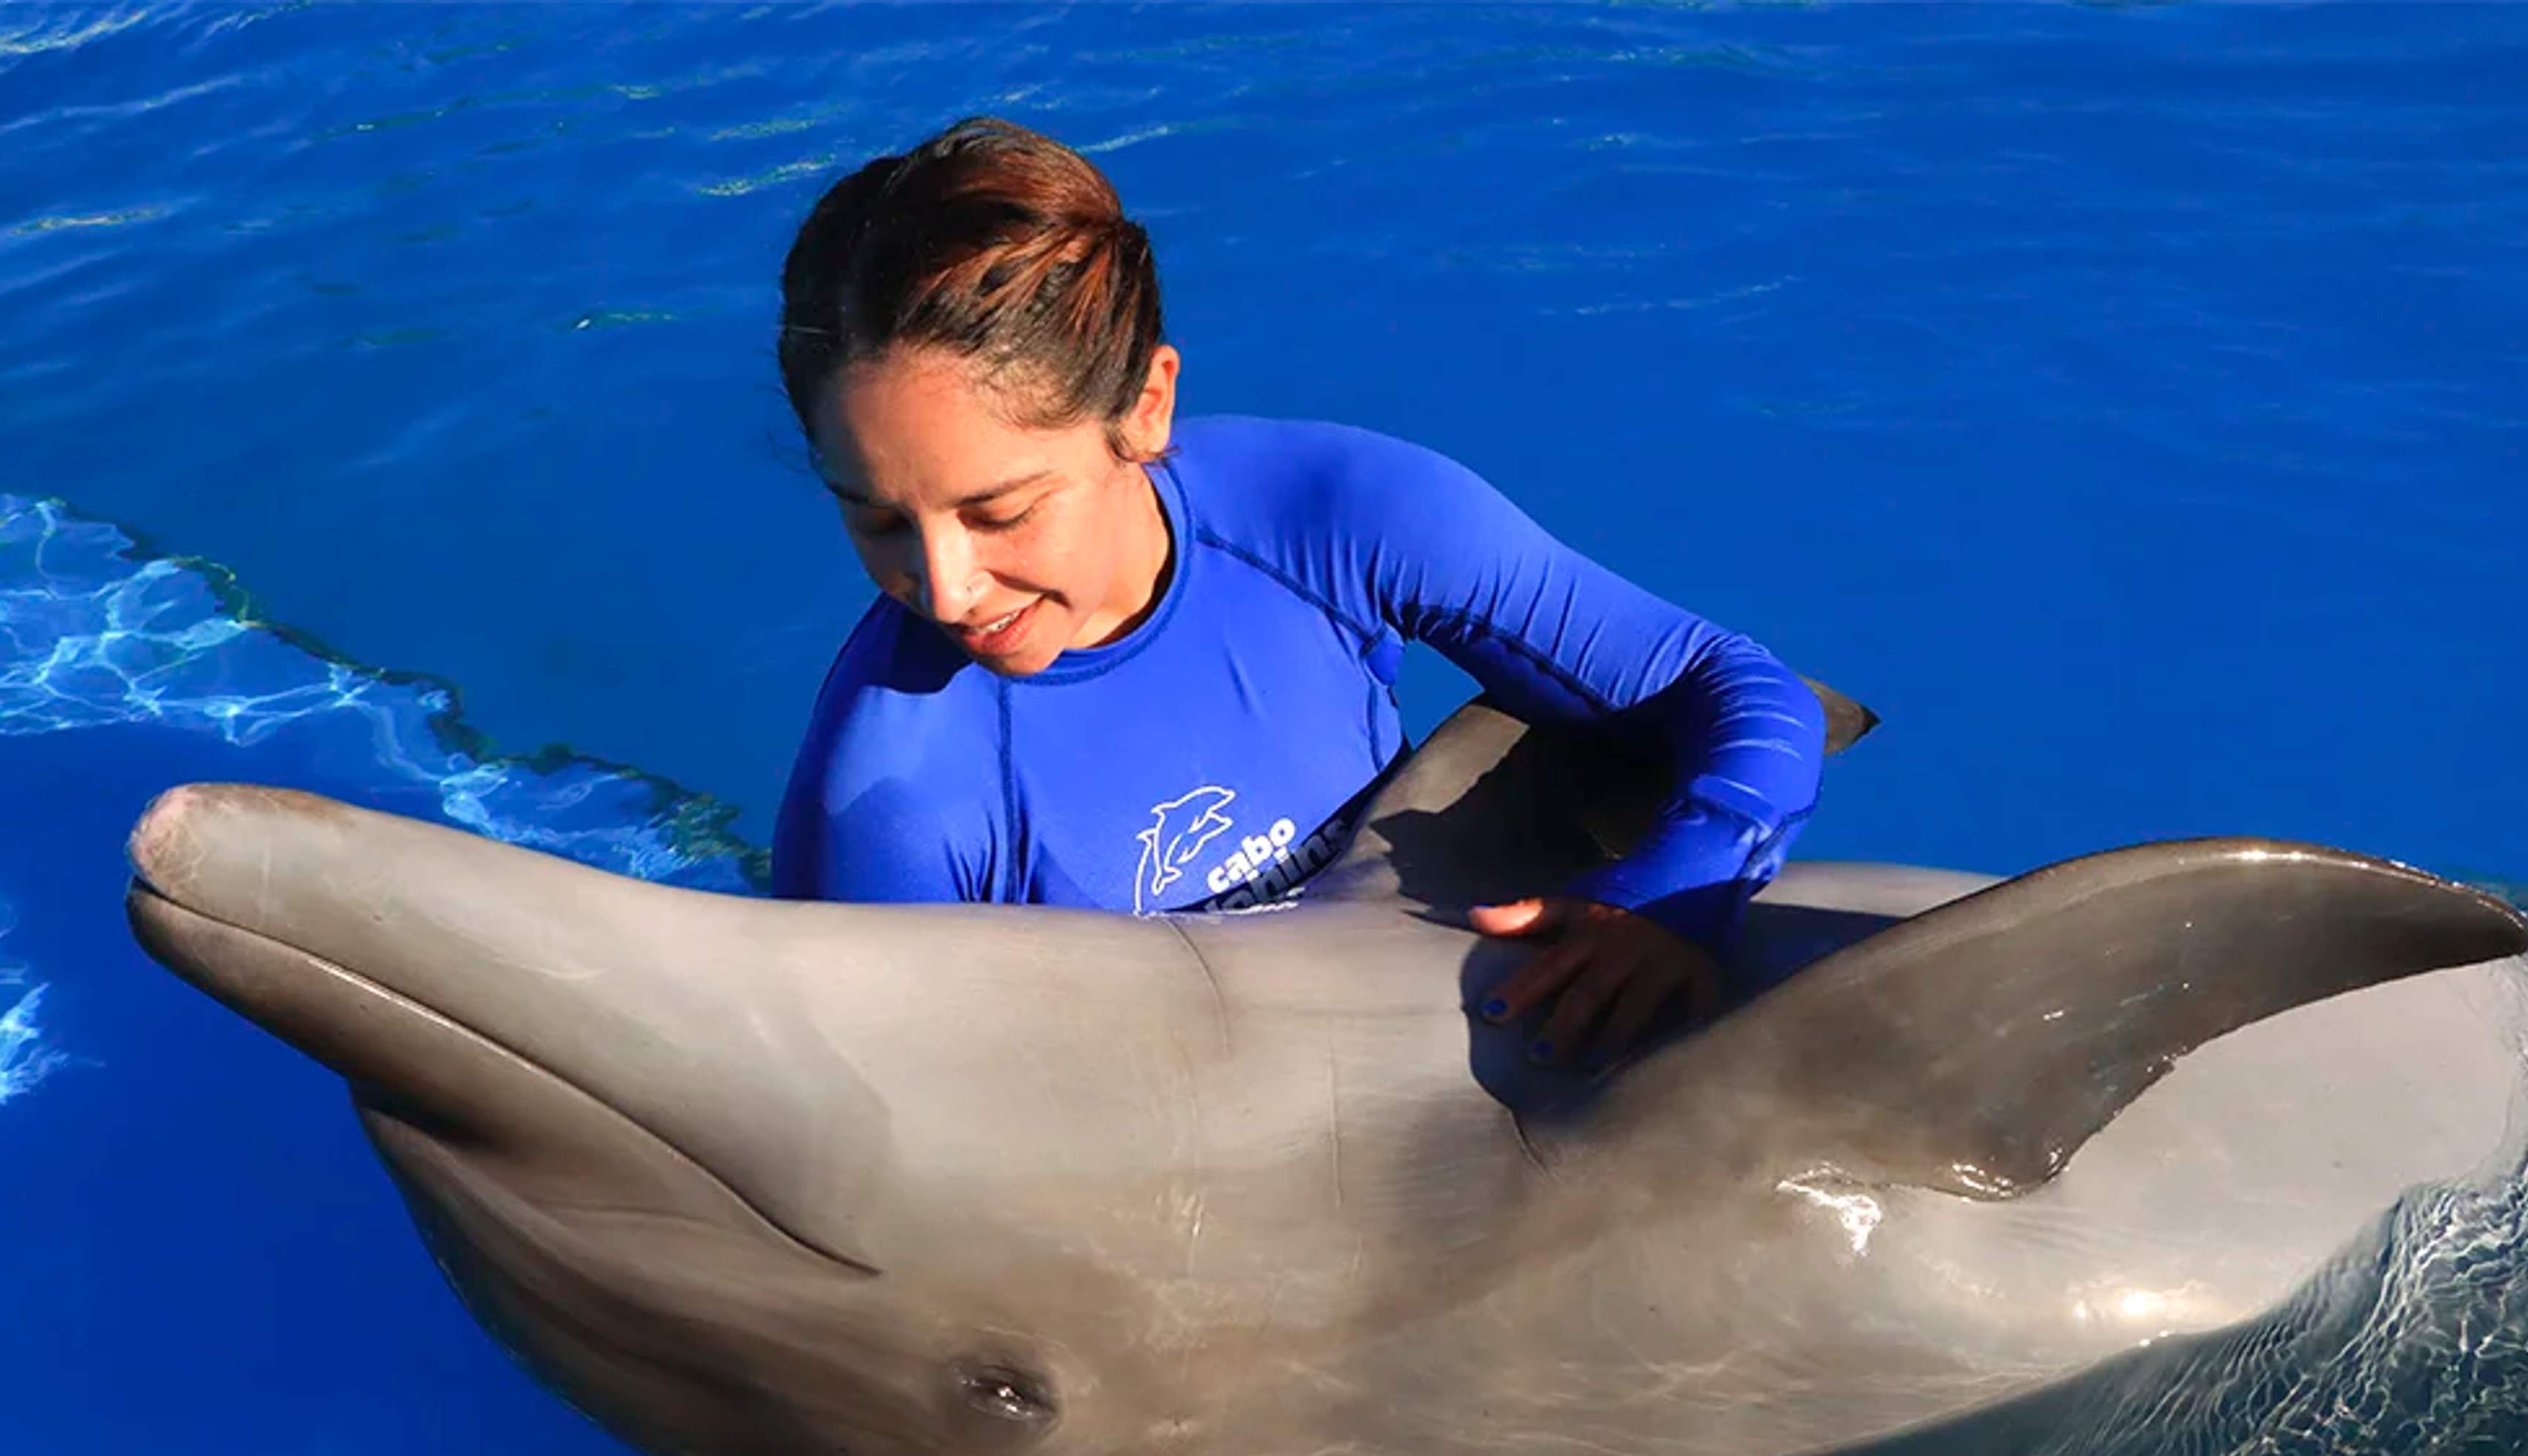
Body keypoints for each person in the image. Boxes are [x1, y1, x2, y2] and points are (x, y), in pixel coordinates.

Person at [771, 118, 1826, 1068]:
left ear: (1145, 406)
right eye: (874, 519)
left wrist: (1681, 891)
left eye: (1000, 511)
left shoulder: (1327, 516)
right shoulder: (888, 798)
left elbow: (1732, 685)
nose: (946, 589)